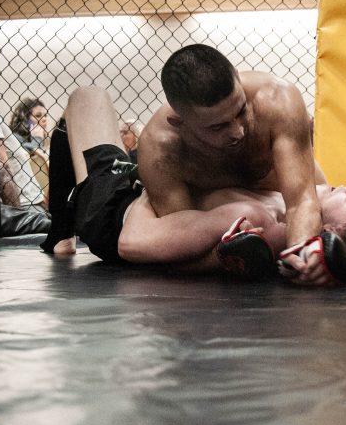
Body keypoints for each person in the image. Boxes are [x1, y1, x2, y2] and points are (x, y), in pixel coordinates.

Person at [44, 86, 346, 281]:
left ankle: (67, 223)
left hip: (116, 207)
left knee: (87, 97)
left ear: (329, 232)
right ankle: (59, 235)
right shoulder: (307, 187)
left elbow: (133, 241)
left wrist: (155, 181)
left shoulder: (259, 224)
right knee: (72, 126)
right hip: (142, 193)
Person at [136, 44, 335, 286]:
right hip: (230, 218)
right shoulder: (160, 147)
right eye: (218, 127)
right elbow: (183, 240)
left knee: (332, 215)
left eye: (241, 110)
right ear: (180, 123)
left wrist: (302, 253)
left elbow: (302, 199)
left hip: (287, 198)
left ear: (239, 83)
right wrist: (232, 254)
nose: (238, 131)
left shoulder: (277, 99)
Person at [0, 112, 46, 212]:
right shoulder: (17, 136)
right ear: (25, 119)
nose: (44, 119)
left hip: (34, 198)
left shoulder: (46, 138)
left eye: (45, 115)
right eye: (38, 115)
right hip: (22, 202)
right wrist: (37, 140)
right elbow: (28, 155)